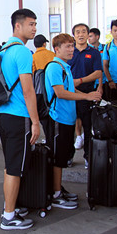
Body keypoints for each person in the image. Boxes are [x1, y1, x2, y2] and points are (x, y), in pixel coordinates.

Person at [43, 34, 102, 210]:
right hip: (57, 119)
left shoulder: (65, 67)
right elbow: (61, 93)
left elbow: (70, 88)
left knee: (62, 157)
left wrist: (89, 94)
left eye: (72, 46)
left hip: (67, 119)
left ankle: (58, 189)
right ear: (57, 49)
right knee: (57, 158)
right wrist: (86, 96)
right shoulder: (54, 67)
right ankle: (55, 195)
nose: (71, 50)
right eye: (67, 46)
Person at [0, 8, 40, 230]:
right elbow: (28, 90)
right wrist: (35, 121)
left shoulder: (4, 48)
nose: (34, 28)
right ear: (18, 26)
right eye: (31, 24)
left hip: (3, 114)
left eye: (35, 24)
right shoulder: (23, 52)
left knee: (10, 164)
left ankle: (10, 205)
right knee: (15, 168)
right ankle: (9, 216)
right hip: (19, 116)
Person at [68, 24, 103, 169]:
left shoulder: (94, 53)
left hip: (87, 94)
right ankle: (68, 156)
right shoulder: (69, 51)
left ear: (88, 35)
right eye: (78, 32)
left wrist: (80, 81)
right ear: (74, 35)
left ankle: (88, 157)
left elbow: (98, 73)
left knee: (88, 127)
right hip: (69, 94)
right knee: (68, 127)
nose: (81, 34)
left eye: (83, 32)